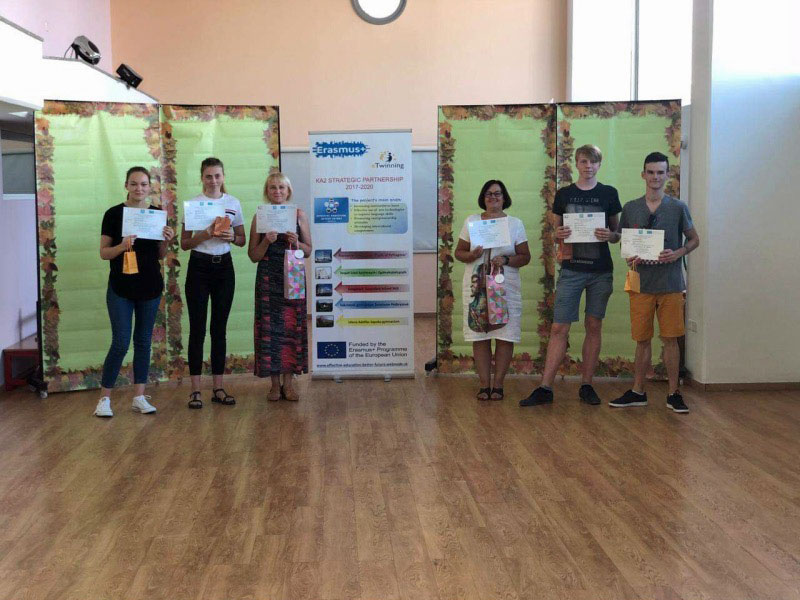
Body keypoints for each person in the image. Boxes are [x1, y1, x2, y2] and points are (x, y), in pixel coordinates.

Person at [521, 144, 621, 407]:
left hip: (600, 271)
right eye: (584, 161)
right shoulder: (564, 194)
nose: (588, 166)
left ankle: (586, 384)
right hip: (571, 269)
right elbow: (555, 233)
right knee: (559, 328)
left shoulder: (609, 193)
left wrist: (611, 235)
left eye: (593, 162)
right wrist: (558, 234)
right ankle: (545, 387)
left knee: (594, 325)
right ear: (576, 164)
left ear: (599, 165)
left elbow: (617, 234)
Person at [610, 151, 699, 413]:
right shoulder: (631, 207)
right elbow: (625, 242)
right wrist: (629, 255)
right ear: (643, 175)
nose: (655, 177)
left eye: (660, 172)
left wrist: (678, 252)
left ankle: (673, 392)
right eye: (651, 172)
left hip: (671, 283)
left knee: (671, 339)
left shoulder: (678, 207)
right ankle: (638, 391)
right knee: (641, 339)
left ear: (668, 175)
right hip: (641, 283)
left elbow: (694, 239)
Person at [94, 166, 175, 417]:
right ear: (126, 186)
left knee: (143, 342)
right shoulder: (113, 214)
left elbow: (159, 255)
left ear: (150, 187)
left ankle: (139, 397)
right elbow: (104, 253)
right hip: (121, 287)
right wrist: (122, 246)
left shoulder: (157, 214)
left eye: (143, 184)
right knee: (120, 342)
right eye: (134, 183)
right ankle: (104, 399)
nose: (139, 188)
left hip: (150, 287)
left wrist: (167, 240)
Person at [454, 180, 531, 400]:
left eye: (497, 193)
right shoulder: (472, 221)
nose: (493, 197)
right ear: (483, 198)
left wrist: (506, 259)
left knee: (504, 335)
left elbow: (525, 257)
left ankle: (498, 385)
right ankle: (484, 385)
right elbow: (459, 252)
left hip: (504, 286)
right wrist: (471, 255)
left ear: (504, 198)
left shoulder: (515, 224)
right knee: (480, 335)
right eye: (488, 194)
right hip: (477, 286)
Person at [180, 157, 246, 409]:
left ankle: (218, 387)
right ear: (202, 178)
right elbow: (184, 244)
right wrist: (206, 233)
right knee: (197, 329)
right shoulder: (193, 204)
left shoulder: (233, 203)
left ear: (223, 177)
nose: (213, 180)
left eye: (217, 175)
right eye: (208, 176)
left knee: (219, 329)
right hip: (198, 267)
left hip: (224, 268)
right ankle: (195, 390)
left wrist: (232, 237)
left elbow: (241, 239)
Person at [248, 172, 311, 401]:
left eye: (281, 187)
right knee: (269, 330)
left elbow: (308, 250)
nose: (277, 191)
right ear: (267, 191)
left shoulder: (299, 215)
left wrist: (296, 242)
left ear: (288, 191)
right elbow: (253, 256)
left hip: (293, 275)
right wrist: (267, 240)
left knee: (291, 329)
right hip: (267, 278)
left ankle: (289, 384)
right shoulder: (260, 216)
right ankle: (274, 385)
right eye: (273, 187)